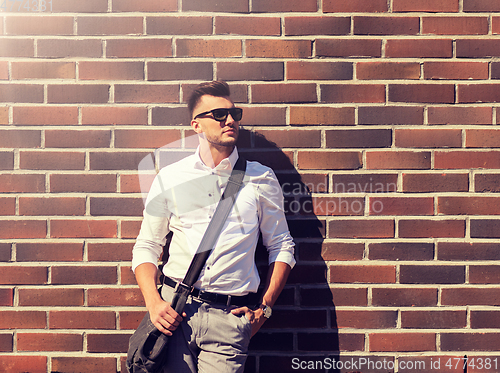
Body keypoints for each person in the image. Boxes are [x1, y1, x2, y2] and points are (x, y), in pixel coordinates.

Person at [131, 80, 295, 372]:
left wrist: (264, 309)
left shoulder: (261, 178)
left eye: (234, 114)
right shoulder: (170, 177)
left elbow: (281, 246)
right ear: (196, 125)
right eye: (219, 115)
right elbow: (147, 245)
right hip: (174, 313)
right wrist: (154, 303)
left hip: (229, 319)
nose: (230, 120)